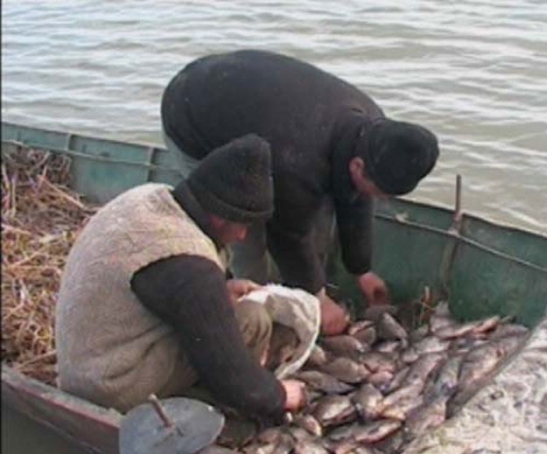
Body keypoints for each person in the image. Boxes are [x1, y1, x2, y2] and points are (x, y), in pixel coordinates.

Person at [160, 49, 440, 336]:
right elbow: (287, 235)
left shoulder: (374, 128)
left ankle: (295, 293)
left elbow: (355, 197)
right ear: (357, 166)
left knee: (310, 211)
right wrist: (316, 297)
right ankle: (253, 309)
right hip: (191, 112)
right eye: (380, 192)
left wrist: (361, 270)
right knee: (243, 229)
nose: (381, 200)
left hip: (261, 103)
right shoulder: (296, 162)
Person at [55, 134, 307, 424]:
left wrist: (222, 287)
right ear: (220, 218)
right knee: (252, 319)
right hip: (109, 387)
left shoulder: (153, 197)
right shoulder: (191, 267)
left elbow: (165, 286)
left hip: (86, 365)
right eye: (244, 225)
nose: (243, 236)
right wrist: (279, 395)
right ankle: (205, 412)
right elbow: (233, 378)